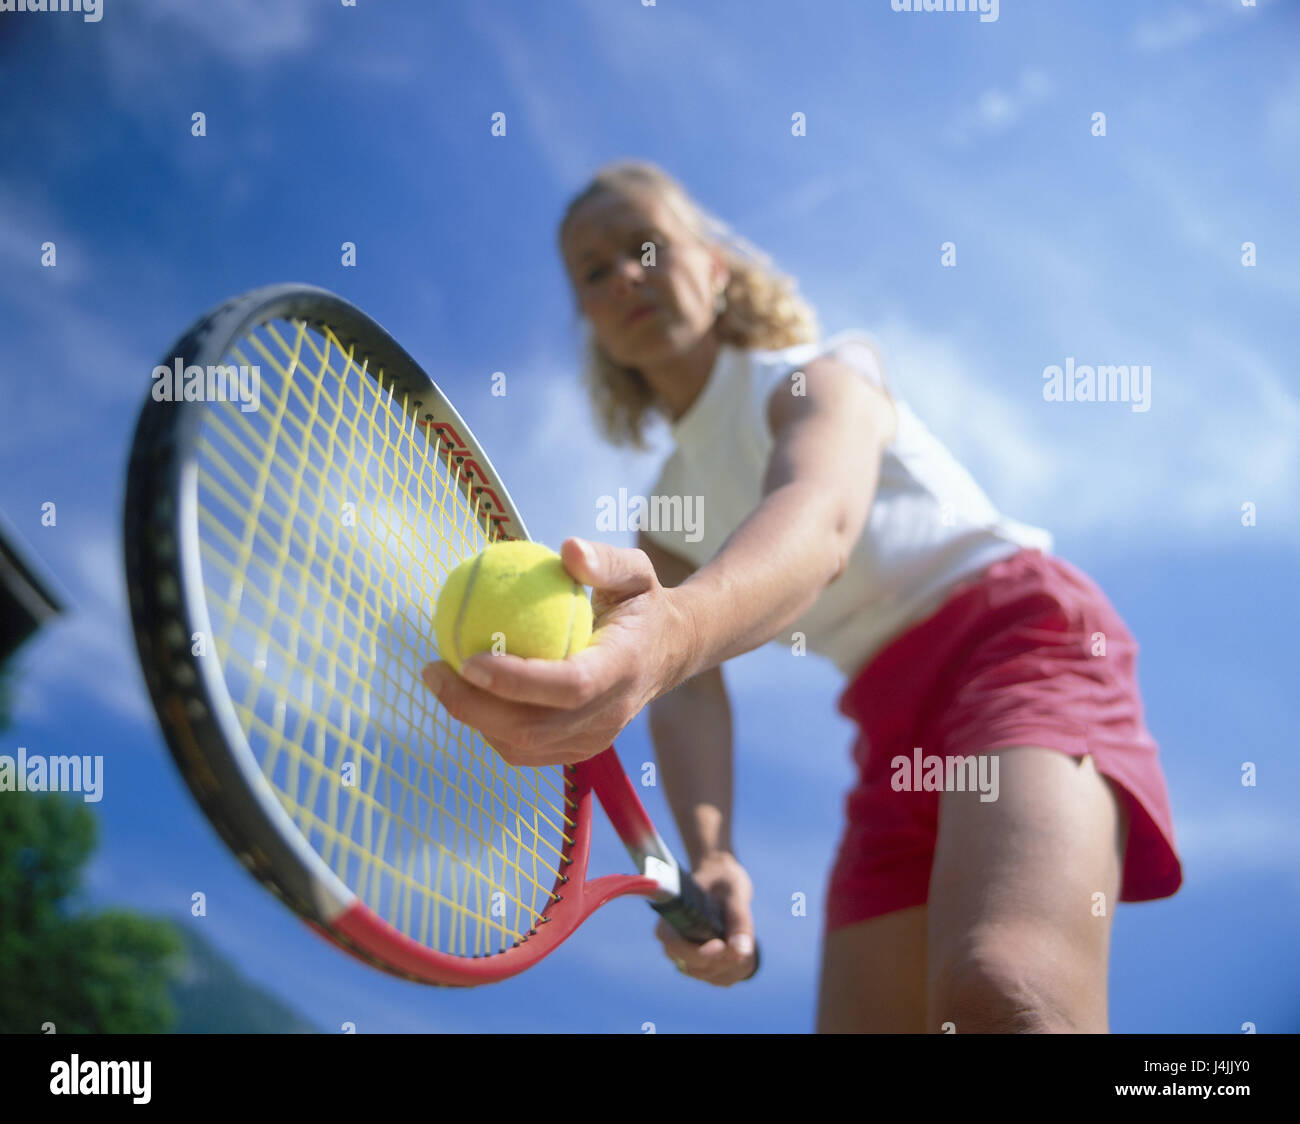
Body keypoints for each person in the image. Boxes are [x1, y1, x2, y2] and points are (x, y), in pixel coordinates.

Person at [421, 159, 1183, 1033]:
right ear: (590, 321)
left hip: (1021, 643)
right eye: (593, 272)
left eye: (644, 246)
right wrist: (712, 852)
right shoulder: (667, 518)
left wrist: (670, 634)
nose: (624, 275)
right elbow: (690, 694)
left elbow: (817, 522)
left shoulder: (821, 371)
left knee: (1002, 994)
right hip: (890, 727)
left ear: (713, 266)